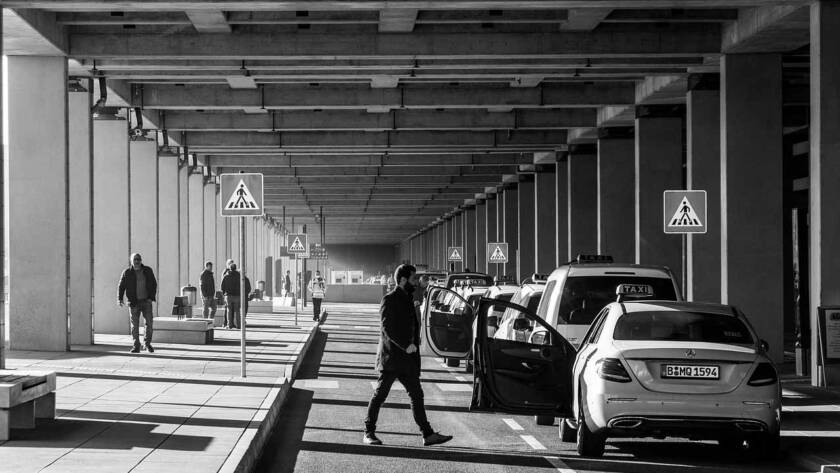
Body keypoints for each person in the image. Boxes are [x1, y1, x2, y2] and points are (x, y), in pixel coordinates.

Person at [364, 264, 453, 447]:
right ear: (403, 280)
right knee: (380, 395)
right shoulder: (390, 299)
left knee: (416, 395)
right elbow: (387, 328)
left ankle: (427, 434)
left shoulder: (408, 298)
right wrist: (406, 346)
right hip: (391, 359)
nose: (416, 282)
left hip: (407, 360)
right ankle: (368, 432)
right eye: (413, 279)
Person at [118, 253, 158, 353]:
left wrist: (151, 297)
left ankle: (147, 344)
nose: (137, 261)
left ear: (141, 260)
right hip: (133, 302)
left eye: (138, 259)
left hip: (146, 301)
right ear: (131, 261)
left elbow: (154, 284)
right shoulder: (127, 272)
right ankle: (136, 346)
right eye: (135, 259)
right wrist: (120, 299)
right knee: (134, 326)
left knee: (149, 324)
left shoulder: (147, 270)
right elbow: (121, 286)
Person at [221, 263, 243, 329]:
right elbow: (242, 285)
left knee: (229, 310)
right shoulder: (239, 276)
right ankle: (239, 325)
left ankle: (229, 325)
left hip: (228, 296)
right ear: (236, 268)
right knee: (237, 311)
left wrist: (224, 293)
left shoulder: (226, 276)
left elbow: (222, 287)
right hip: (237, 296)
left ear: (229, 268)